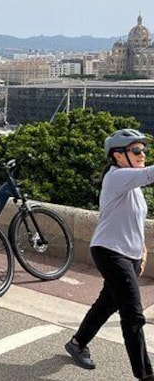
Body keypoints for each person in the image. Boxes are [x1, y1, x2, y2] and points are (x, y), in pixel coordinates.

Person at [65, 129, 154, 379]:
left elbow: (133, 222)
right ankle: (145, 375)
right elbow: (151, 174)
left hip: (130, 255)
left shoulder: (133, 186)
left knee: (106, 304)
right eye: (136, 150)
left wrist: (142, 250)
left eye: (143, 150)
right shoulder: (116, 177)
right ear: (118, 155)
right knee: (134, 314)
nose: (142, 154)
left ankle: (77, 343)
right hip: (109, 251)